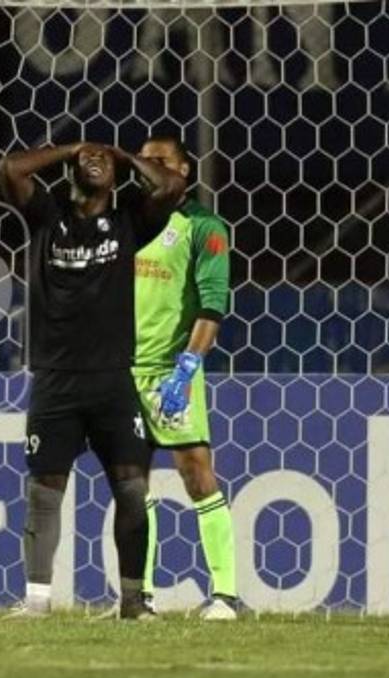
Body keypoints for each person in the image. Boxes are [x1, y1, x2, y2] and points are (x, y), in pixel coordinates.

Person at [0, 141, 185, 618]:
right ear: (69, 170)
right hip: (55, 379)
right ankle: (37, 601)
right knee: (44, 489)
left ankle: (131, 602)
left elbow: (172, 186)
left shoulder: (129, 222)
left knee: (132, 489)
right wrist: (73, 149)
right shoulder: (46, 213)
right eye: (87, 158)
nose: (94, 158)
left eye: (103, 158)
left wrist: (122, 155)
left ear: (118, 175)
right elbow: (11, 168)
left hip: (112, 380)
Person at [133, 136, 238, 620]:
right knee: (130, 481)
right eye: (144, 160)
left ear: (184, 172)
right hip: (119, 370)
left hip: (171, 370)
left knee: (195, 471)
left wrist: (187, 367)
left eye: (161, 162)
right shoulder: (125, 223)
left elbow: (213, 303)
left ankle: (226, 594)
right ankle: (140, 598)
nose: (149, 168)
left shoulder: (203, 226)